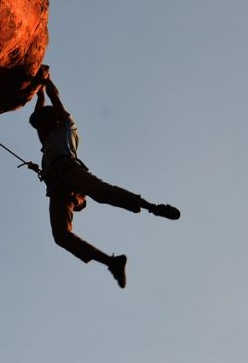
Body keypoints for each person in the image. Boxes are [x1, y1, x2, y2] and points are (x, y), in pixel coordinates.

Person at [29, 65, 180, 288]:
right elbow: (40, 107)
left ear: (51, 121)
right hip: (57, 186)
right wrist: (39, 89)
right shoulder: (47, 138)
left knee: (101, 192)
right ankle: (111, 262)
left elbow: (55, 99)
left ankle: (152, 207)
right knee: (61, 235)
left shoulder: (66, 127)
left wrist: (47, 81)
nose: (40, 130)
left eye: (42, 124)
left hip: (70, 171)